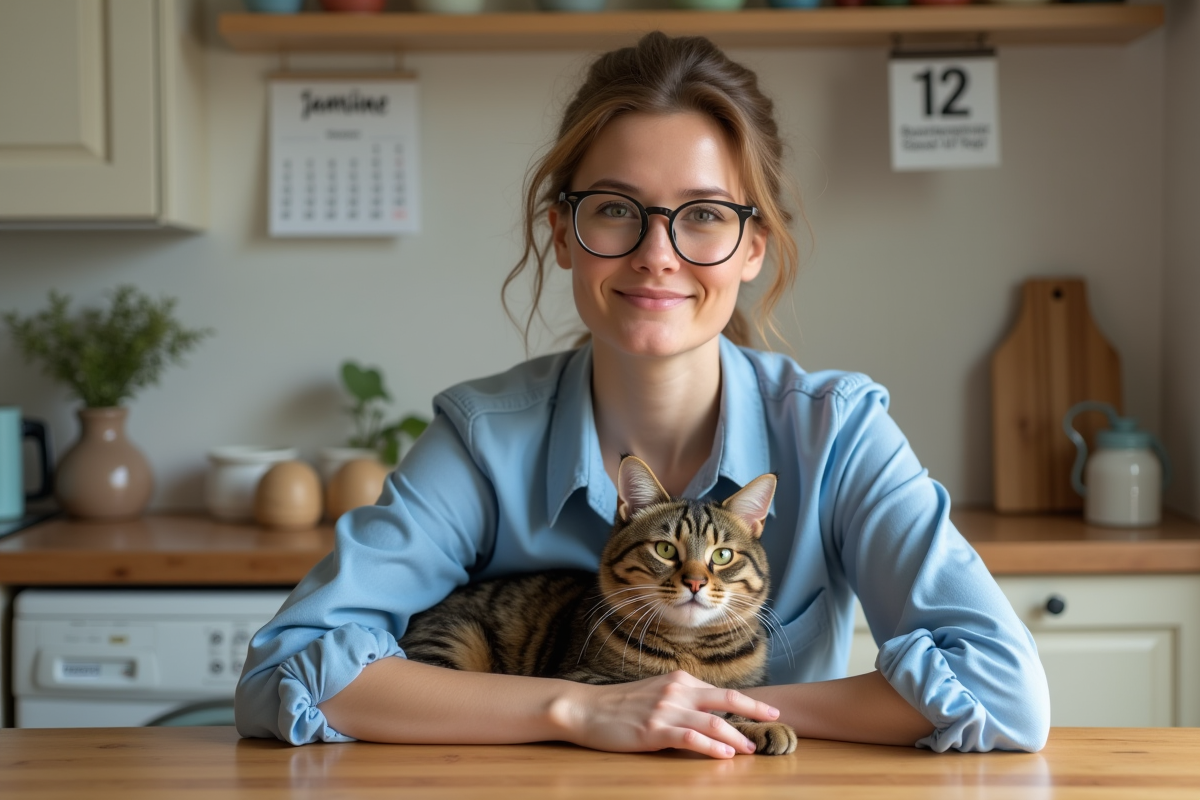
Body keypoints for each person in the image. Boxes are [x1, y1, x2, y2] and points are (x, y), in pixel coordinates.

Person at [235, 32, 1050, 757]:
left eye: (701, 216)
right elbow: (283, 672)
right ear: (562, 233)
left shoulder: (839, 431)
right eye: (617, 209)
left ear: (753, 245)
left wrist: (708, 706)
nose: (657, 254)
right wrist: (579, 707)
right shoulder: (481, 438)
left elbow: (1007, 693)